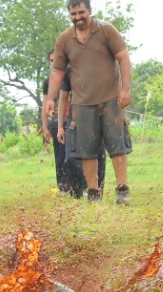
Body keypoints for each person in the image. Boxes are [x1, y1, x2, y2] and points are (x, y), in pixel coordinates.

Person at [46, 0, 132, 205]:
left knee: (117, 146)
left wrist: (125, 88)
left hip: (111, 99)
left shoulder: (106, 30)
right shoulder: (65, 39)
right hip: (82, 103)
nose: (78, 17)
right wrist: (50, 97)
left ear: (90, 11)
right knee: (86, 150)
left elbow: (123, 58)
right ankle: (93, 192)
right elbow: (57, 71)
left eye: (81, 12)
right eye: (73, 14)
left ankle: (122, 188)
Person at [57, 66, 106, 199]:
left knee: (99, 158)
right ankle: (78, 191)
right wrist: (60, 126)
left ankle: (96, 193)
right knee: (71, 159)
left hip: (98, 119)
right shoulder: (69, 71)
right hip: (75, 122)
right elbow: (63, 99)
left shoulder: (101, 66)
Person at [42, 48, 67, 193]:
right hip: (56, 122)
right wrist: (45, 127)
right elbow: (45, 106)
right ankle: (62, 187)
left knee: (73, 156)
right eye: (51, 61)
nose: (54, 63)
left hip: (73, 120)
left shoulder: (72, 76)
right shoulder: (48, 82)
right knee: (60, 156)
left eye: (56, 60)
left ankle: (79, 186)